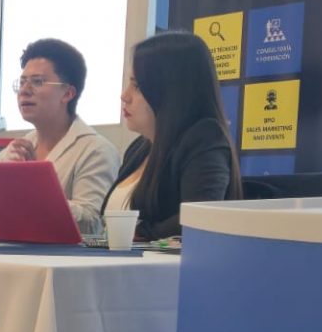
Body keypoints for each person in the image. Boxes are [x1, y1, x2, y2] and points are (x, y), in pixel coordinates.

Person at [0, 38, 120, 236]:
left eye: (38, 82)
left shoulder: (95, 150)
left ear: (67, 93)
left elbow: (92, 225)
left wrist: (34, 184)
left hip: (60, 255)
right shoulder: (16, 149)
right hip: (12, 252)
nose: (24, 90)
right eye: (22, 82)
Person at [103, 31, 241, 240]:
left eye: (137, 86)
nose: (124, 96)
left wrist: (140, 233)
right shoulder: (138, 148)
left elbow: (200, 218)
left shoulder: (205, 140)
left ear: (172, 90)